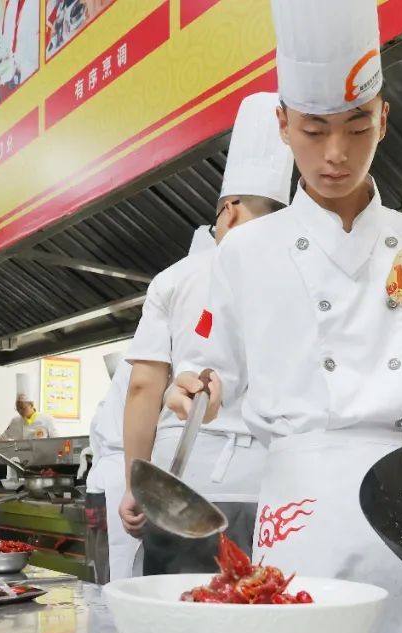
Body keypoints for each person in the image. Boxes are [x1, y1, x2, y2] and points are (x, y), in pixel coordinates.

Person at [155, 0, 402, 633]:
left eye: (356, 126)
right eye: (312, 130)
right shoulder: (244, 253)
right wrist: (193, 389)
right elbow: (213, 374)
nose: (335, 154)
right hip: (305, 507)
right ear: (283, 125)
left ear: (383, 118)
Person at [120, 92, 293, 576]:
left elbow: (142, 388)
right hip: (273, 491)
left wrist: (135, 483)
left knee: (176, 626)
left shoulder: (178, 278)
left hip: (188, 489)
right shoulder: (302, 278)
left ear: (231, 209)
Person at [86, 353, 139, 583]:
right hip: (122, 482)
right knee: (123, 565)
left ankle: (105, 611)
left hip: (99, 487)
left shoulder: (104, 405)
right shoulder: (140, 394)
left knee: (104, 562)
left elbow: (95, 448)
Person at [0, 373, 57, 440]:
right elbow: (3, 438)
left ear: (31, 405)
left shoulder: (47, 420)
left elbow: (57, 441)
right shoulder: (15, 421)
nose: (20, 411)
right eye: (17, 408)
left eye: (23, 408)